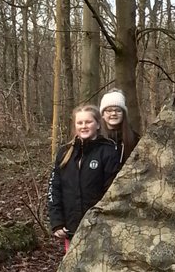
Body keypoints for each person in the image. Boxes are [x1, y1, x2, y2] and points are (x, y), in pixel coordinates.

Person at [47, 104, 120, 250]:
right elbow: (54, 189)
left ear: (98, 124)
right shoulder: (64, 152)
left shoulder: (108, 151)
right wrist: (57, 222)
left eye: (88, 122)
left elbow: (112, 192)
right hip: (71, 228)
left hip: (99, 228)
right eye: (80, 123)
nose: (84, 126)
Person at [99, 89, 140, 164]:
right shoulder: (96, 138)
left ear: (124, 114)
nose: (114, 113)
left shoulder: (135, 139)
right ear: (102, 115)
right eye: (109, 110)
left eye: (118, 110)